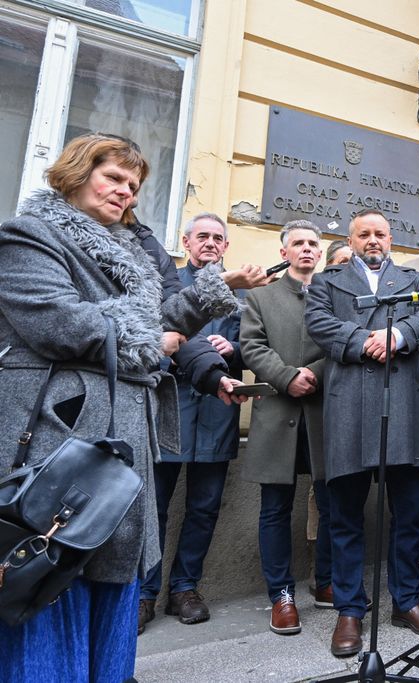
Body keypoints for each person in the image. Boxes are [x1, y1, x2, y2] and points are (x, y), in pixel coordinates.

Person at [0, 133, 245, 681]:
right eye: (113, 177)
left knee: (109, 576)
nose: (125, 193)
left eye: (133, 186)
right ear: (75, 172)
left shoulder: (132, 255)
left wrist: (212, 291)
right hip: (57, 438)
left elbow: (162, 321)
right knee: (50, 578)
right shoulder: (26, 235)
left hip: (121, 437)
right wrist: (150, 342)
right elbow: (59, 323)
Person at [305, 209, 419, 657]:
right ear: (351, 238)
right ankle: (349, 611)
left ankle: (406, 600)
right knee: (343, 516)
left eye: (380, 233)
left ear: (391, 238)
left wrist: (397, 336)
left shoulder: (412, 278)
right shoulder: (327, 281)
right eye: (364, 234)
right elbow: (319, 324)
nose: (373, 240)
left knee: (410, 512)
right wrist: (365, 341)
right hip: (348, 409)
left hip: (403, 402)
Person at [138, 212, 247, 632]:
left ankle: (184, 589)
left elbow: (251, 345)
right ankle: (145, 594)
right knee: (156, 508)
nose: (210, 243)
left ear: (226, 246)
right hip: (169, 406)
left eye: (218, 238)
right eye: (202, 236)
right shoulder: (170, 287)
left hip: (218, 412)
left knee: (204, 508)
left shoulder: (239, 293)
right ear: (185, 243)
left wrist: (232, 348)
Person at [239, 219, 332, 636]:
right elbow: (252, 346)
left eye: (314, 243)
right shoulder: (260, 297)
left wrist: (311, 372)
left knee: (332, 504)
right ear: (285, 252)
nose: (308, 249)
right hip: (278, 414)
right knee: (274, 508)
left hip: (323, 413)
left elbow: (341, 342)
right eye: (299, 243)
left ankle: (326, 580)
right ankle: (282, 595)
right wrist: (286, 376)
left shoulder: (334, 294)